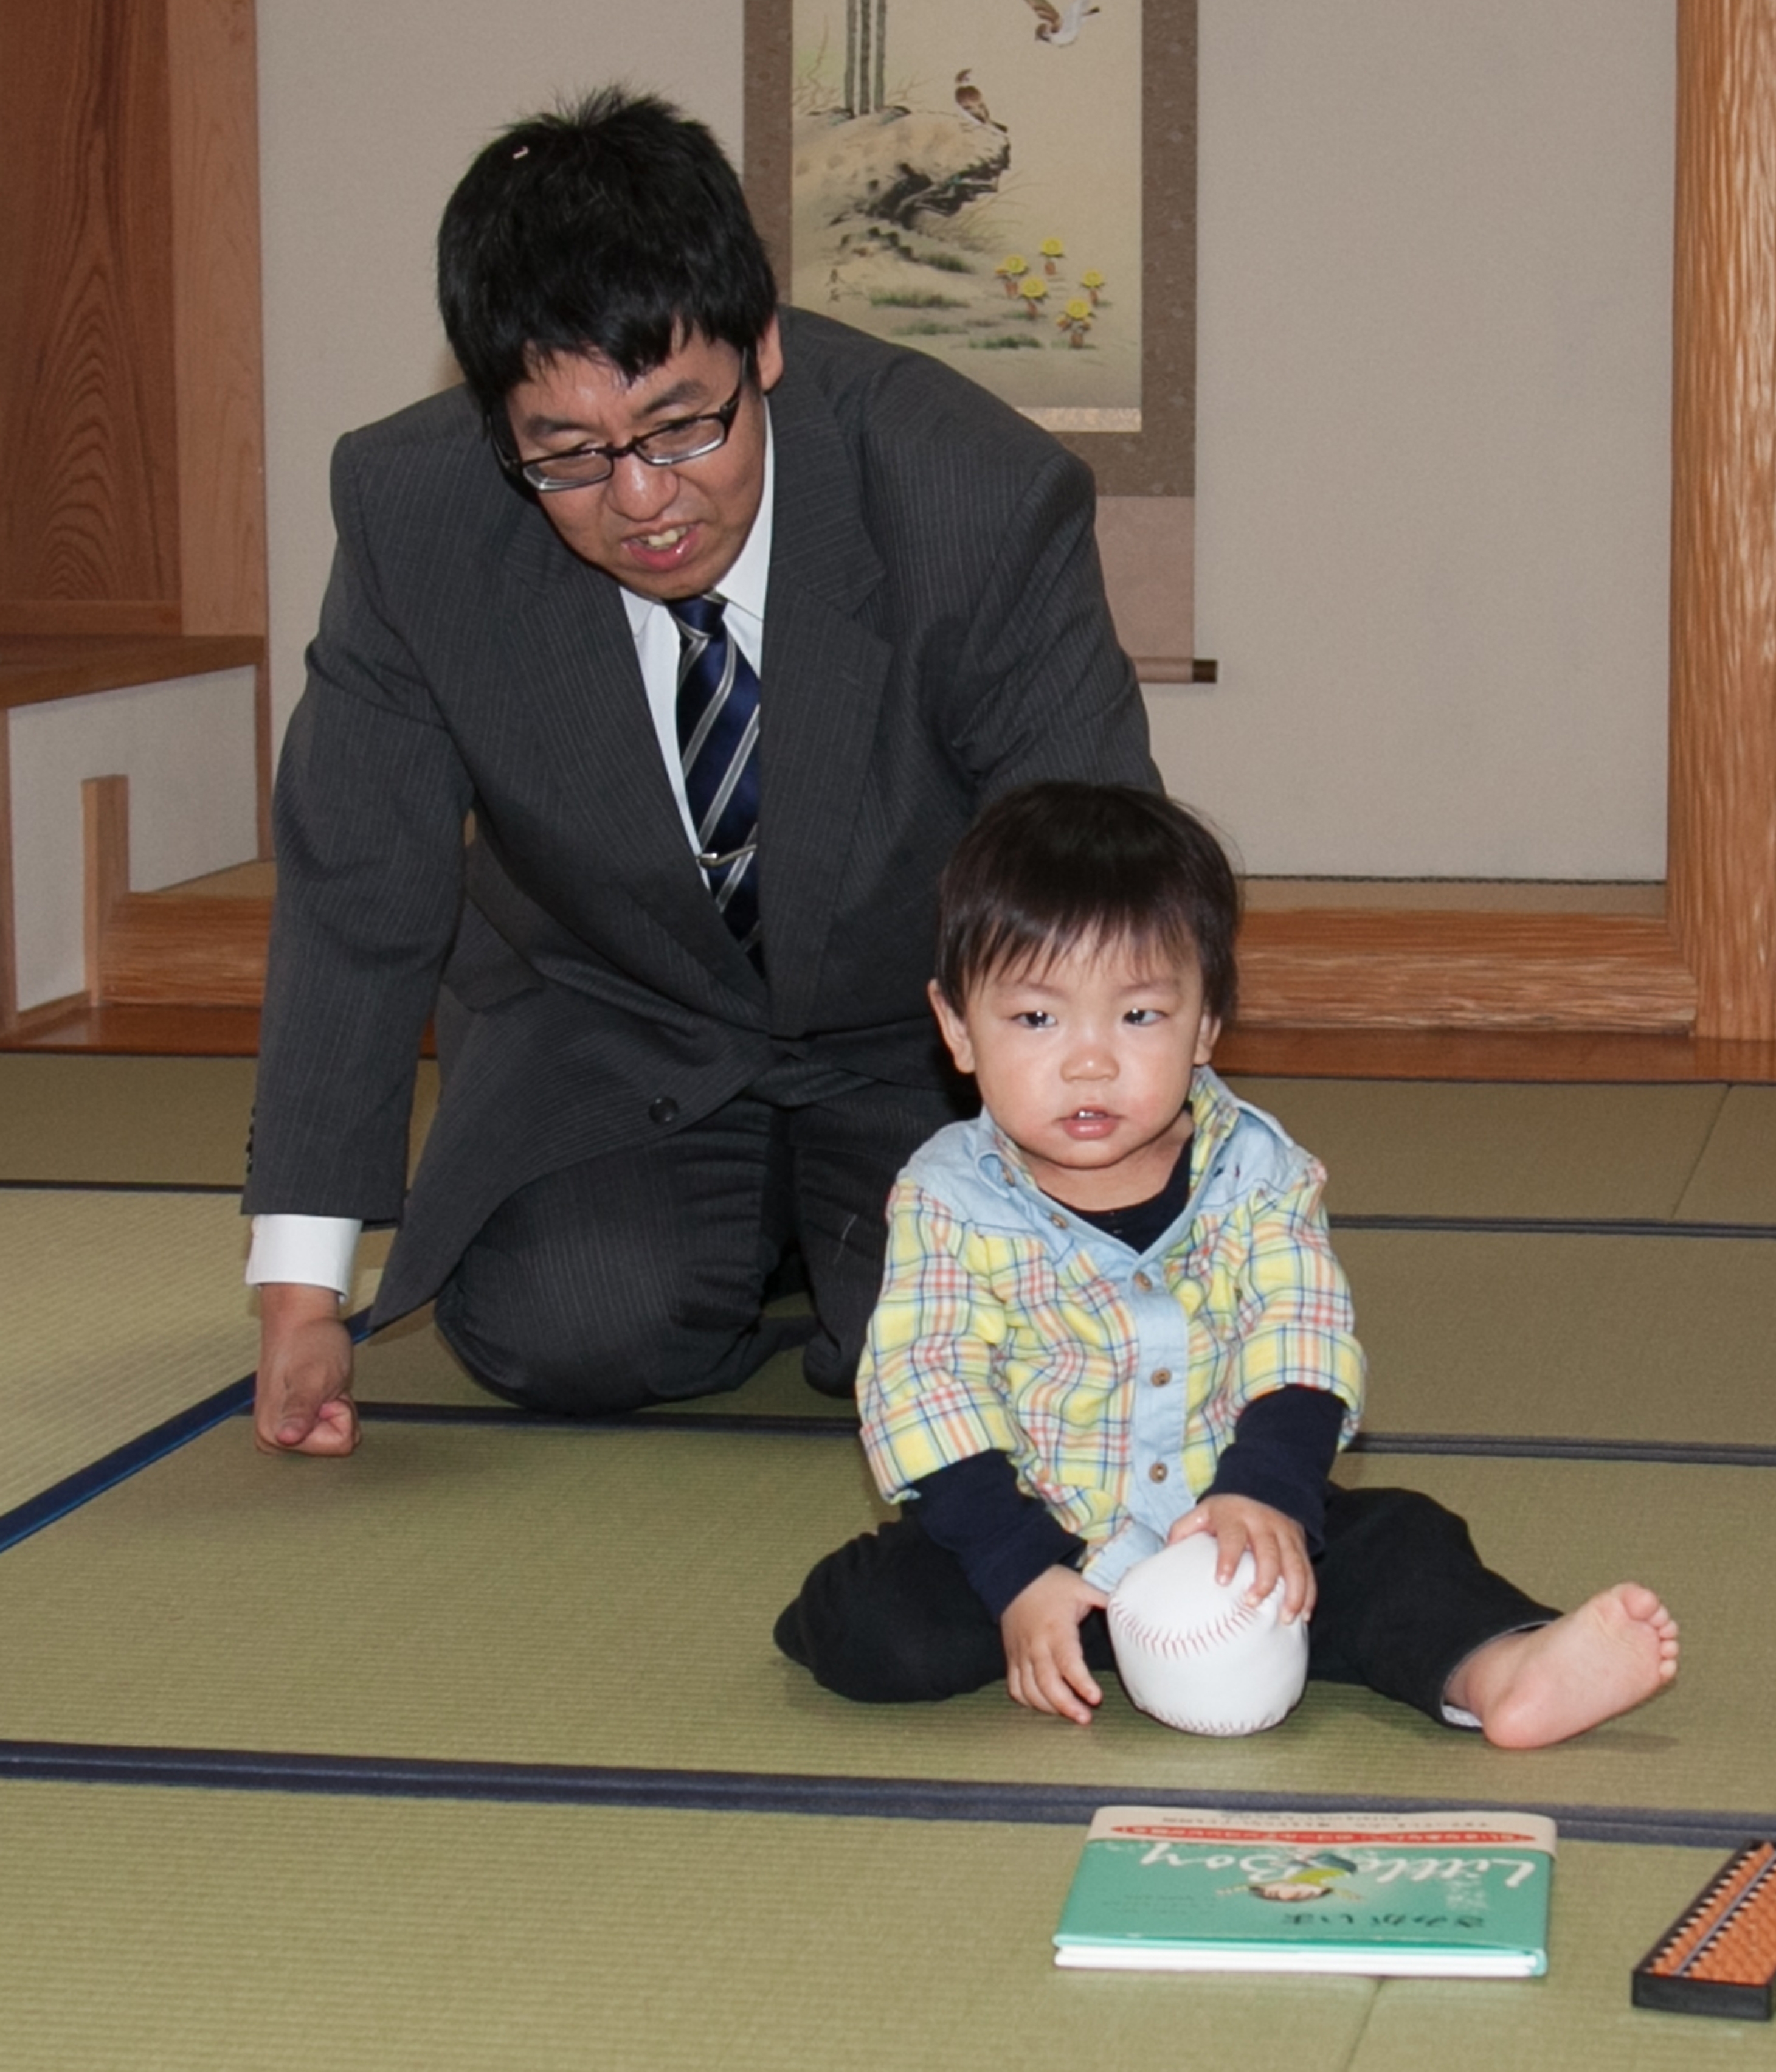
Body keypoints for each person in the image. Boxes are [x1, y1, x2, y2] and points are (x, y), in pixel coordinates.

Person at [242, 90, 1157, 1454]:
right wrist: (301, 1287)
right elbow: (355, 883)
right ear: (496, 421)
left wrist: (1119, 1211)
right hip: (618, 1013)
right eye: (567, 454)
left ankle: (838, 1247)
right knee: (565, 1328)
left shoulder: (974, 495)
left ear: (764, 344)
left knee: (980, 1357)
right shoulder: (410, 513)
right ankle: (751, 1243)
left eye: (685, 426)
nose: (644, 497)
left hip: (925, 1042)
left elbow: (1093, 883)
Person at [775, 783, 1682, 1746]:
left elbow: (1301, 1337)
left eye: (1138, 1017)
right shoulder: (948, 1197)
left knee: (1402, 1544)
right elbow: (927, 1385)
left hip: (1235, 1531)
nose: (1090, 1063)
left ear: (1207, 1024)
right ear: (957, 1028)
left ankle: (1503, 1671)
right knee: (876, 1626)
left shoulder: (1257, 1170)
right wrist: (1021, 1572)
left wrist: (1267, 1494)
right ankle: (1070, 1628)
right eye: (1037, 1021)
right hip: (1043, 1530)